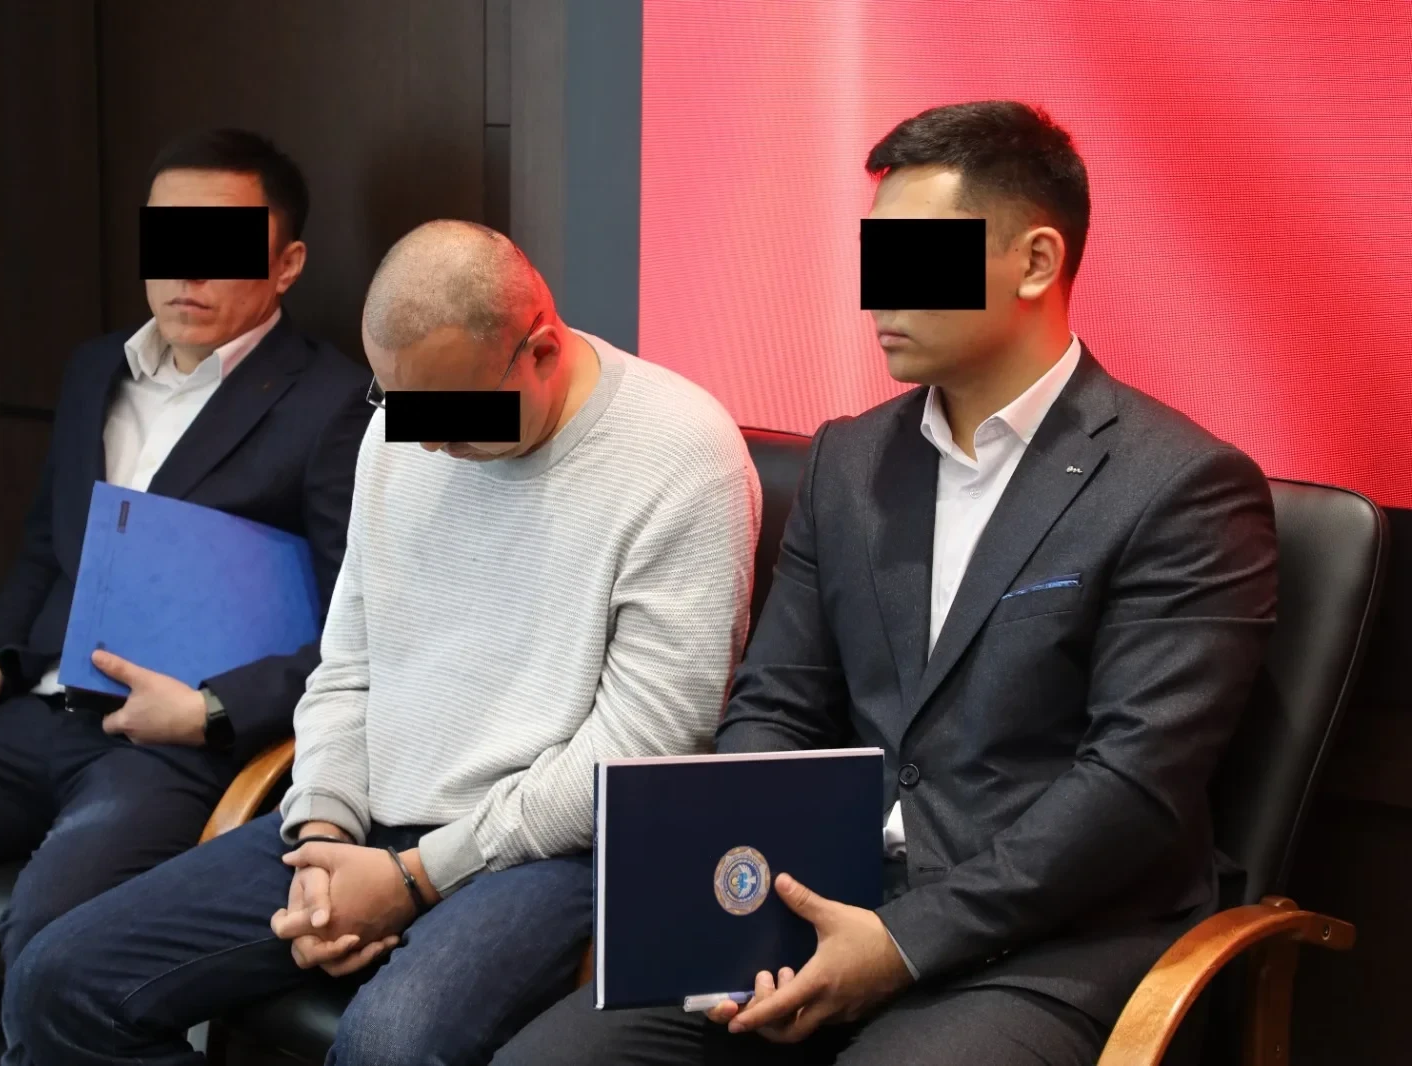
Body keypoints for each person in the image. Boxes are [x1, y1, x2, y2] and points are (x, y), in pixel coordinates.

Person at [497, 100, 1279, 1066]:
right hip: (821, 899)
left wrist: (902, 943)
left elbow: (1131, 790)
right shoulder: (850, 462)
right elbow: (777, 704)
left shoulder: (1180, 486)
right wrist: (741, 895)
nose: (877, 298)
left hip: (1047, 943)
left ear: (1036, 262)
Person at [0, 219, 763, 1066]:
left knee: (386, 1048)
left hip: (553, 851)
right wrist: (322, 832)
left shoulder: (679, 454)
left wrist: (415, 878)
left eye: (454, 416)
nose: (428, 443)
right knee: (58, 984)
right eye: (403, 408)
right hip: (365, 824)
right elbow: (349, 665)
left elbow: (644, 747)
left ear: (541, 351)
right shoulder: (403, 432)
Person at [0, 128, 375, 1066]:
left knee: (49, 941)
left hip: (173, 744)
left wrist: (213, 710)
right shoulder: (94, 368)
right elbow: (47, 545)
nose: (187, 271)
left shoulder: (335, 404)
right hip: (30, 711)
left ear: (287, 264)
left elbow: (360, 629)